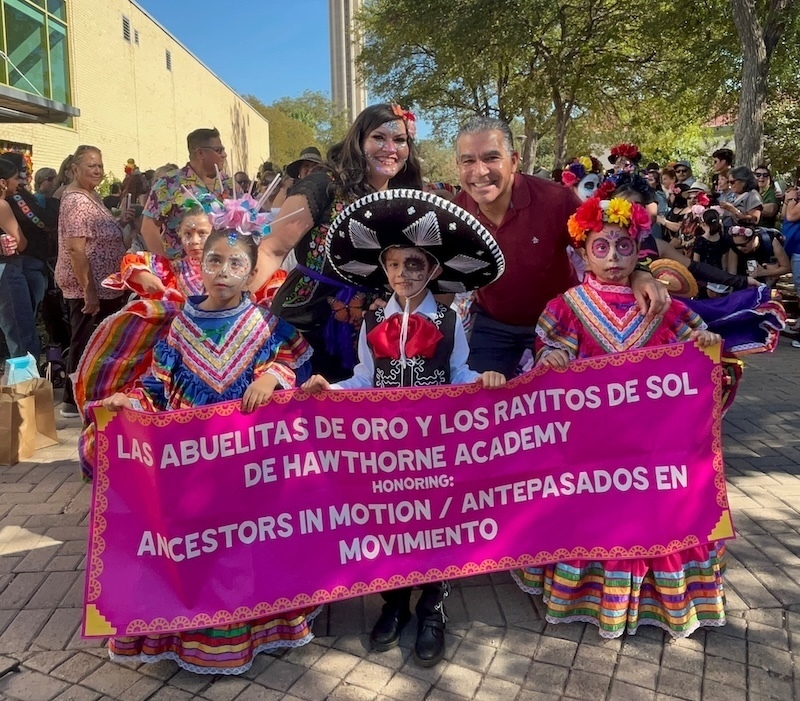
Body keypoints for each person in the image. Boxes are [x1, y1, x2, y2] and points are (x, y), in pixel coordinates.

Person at [99, 224, 317, 674]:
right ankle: (189, 633)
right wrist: (130, 401)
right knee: (195, 546)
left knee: (245, 546)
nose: (223, 271)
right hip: (190, 467)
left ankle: (255, 631)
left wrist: (271, 377)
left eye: (236, 263)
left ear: (251, 271)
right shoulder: (181, 327)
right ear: (200, 265)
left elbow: (292, 358)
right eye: (214, 260)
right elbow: (156, 386)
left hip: (246, 463)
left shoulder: (263, 323)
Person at [302, 189, 506, 666]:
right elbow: (363, 379)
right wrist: (329, 391)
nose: (402, 274)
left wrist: (485, 380)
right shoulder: (373, 319)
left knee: (437, 522)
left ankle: (433, 606)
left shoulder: (452, 321)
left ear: (433, 269)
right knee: (391, 520)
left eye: (414, 265)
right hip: (386, 446)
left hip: (436, 445)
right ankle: (394, 601)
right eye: (394, 265)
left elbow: (458, 376)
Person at [514, 195, 726, 639]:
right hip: (593, 446)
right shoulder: (568, 305)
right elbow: (549, 351)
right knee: (594, 511)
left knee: (656, 512)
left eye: (623, 247)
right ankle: (590, 594)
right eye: (601, 247)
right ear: (582, 252)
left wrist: (703, 343)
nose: (613, 258)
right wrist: (551, 357)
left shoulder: (659, 303)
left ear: (638, 249)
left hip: (652, 446)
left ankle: (657, 597)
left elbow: (694, 345)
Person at [451, 117, 668, 378]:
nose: (480, 171)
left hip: (561, 323)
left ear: (514, 161)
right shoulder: (454, 213)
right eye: (468, 161)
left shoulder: (555, 199)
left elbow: (609, 238)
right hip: (492, 324)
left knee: (572, 404)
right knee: (480, 403)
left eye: (491, 158)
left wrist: (641, 274)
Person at [251, 103, 424, 382]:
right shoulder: (325, 183)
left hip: (372, 332)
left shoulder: (408, 199)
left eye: (400, 140)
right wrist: (232, 307)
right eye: (379, 137)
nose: (390, 148)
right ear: (359, 141)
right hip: (304, 325)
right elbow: (272, 249)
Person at [54, 146, 133, 417]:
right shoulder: (75, 200)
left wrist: (121, 222)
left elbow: (102, 236)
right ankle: (71, 400)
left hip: (105, 283)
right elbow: (76, 248)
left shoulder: (92, 196)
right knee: (85, 341)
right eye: (91, 166)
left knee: (96, 340)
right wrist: (88, 290)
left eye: (100, 165)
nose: (98, 171)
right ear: (74, 169)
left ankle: (92, 393)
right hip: (88, 285)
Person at [142, 127, 231, 258]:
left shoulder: (228, 184)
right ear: (200, 153)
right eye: (218, 150)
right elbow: (149, 228)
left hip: (220, 269)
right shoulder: (170, 183)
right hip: (182, 271)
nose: (224, 154)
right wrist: (165, 267)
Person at [0, 159, 38, 360]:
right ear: (3, 182)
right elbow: (20, 243)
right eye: (15, 178)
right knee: (21, 333)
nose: (18, 183)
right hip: (7, 272)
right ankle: (27, 386)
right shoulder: (2, 205)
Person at [726, 224, 791, 284]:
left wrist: (764, 272)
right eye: (736, 245)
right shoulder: (735, 248)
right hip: (745, 278)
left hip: (767, 276)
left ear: (754, 238)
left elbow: (786, 268)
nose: (739, 248)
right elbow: (732, 274)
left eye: (743, 245)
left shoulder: (770, 242)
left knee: (772, 268)